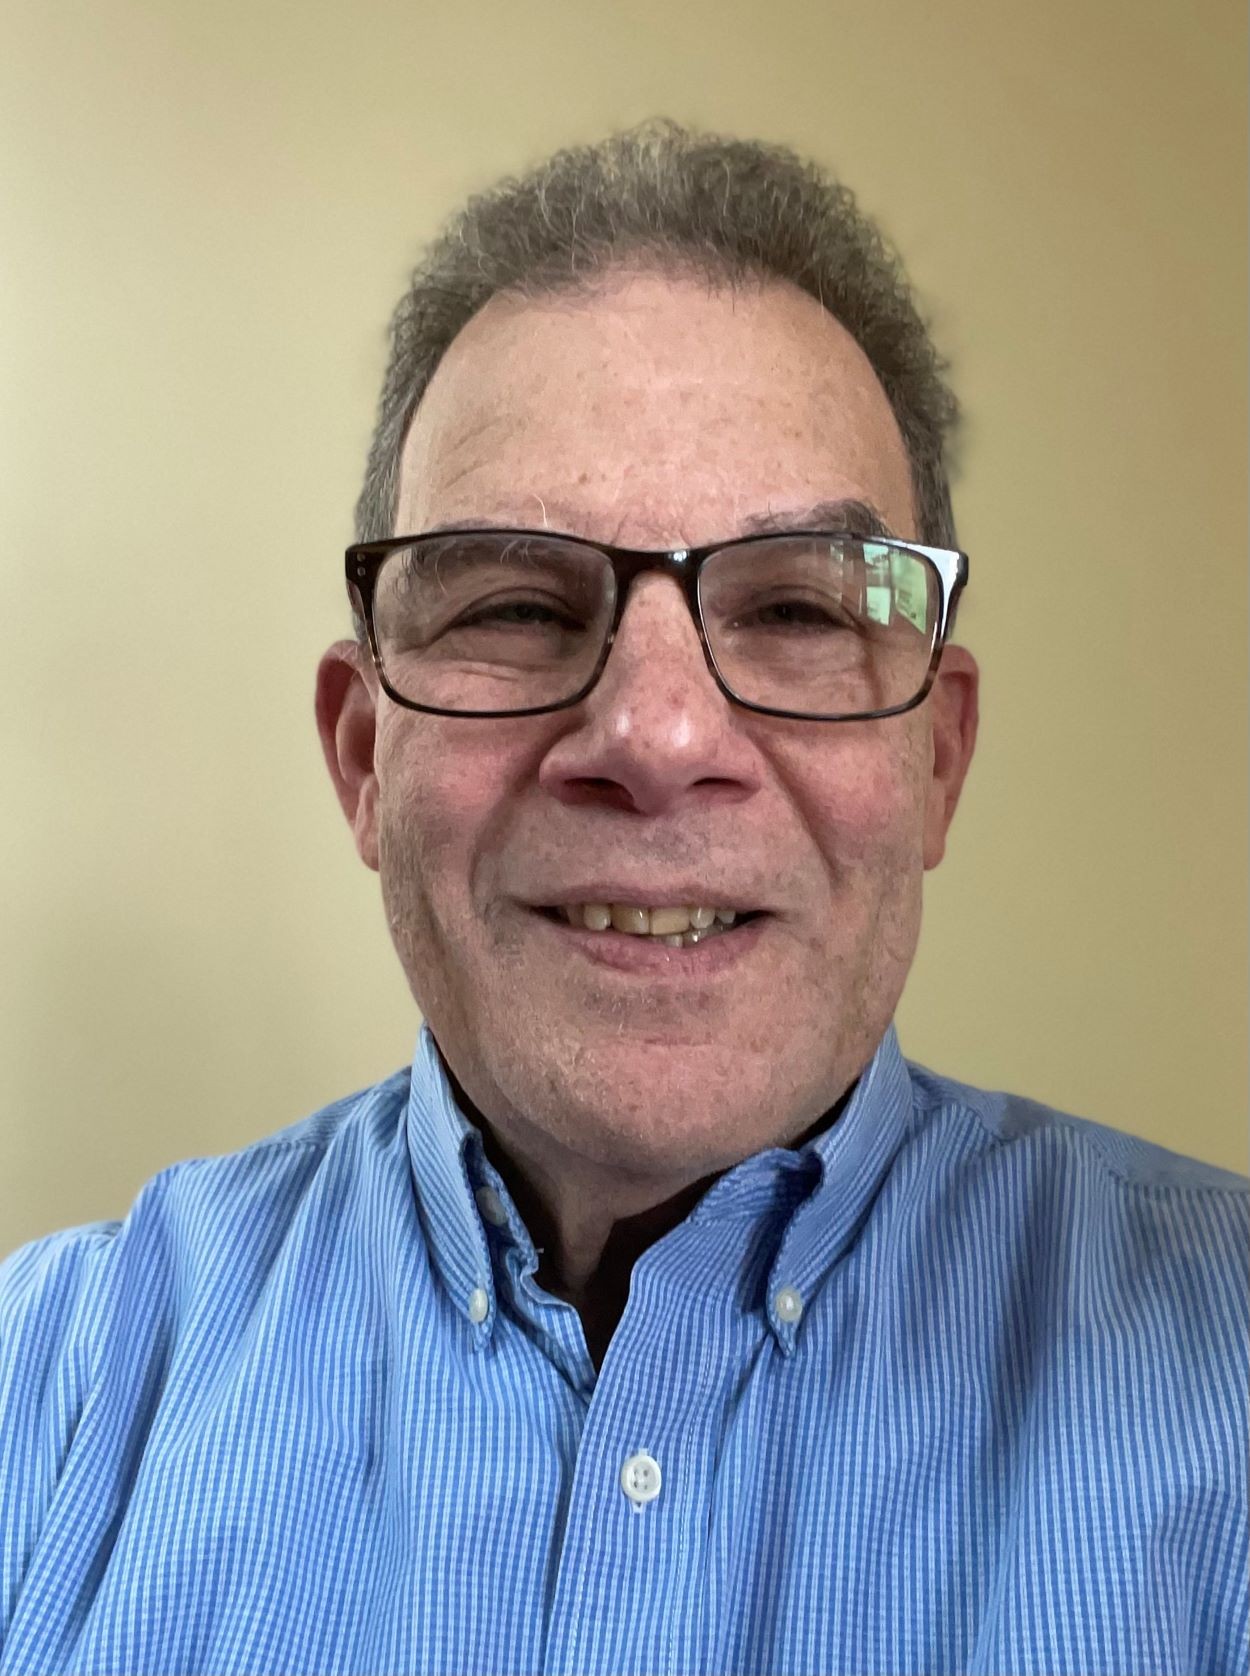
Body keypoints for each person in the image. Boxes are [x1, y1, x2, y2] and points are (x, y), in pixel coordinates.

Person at [1, 121, 1245, 1676]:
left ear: (935, 758)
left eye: (797, 610)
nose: (655, 738)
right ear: (363, 754)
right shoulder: (44, 1396)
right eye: (518, 605)